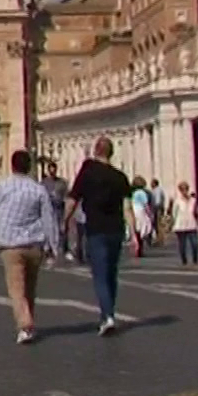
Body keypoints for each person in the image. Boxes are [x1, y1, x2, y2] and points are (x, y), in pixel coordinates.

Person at [0, 150, 60, 345]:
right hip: (35, 245)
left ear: (12, 165)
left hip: (11, 246)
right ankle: (28, 323)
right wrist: (54, 245)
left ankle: (25, 325)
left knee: (17, 289)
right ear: (29, 166)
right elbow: (48, 219)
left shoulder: (3, 187)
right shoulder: (38, 189)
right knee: (30, 288)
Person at [65, 137, 130, 336]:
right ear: (111, 153)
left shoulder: (88, 171)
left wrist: (64, 221)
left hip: (96, 229)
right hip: (116, 229)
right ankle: (108, 312)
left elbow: (73, 198)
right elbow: (127, 207)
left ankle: (108, 315)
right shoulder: (120, 177)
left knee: (100, 274)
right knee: (112, 273)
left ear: (96, 151)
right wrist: (135, 233)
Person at [169, 181, 198, 267]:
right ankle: (184, 261)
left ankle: (195, 261)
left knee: (195, 244)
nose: (184, 191)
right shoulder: (177, 201)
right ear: (180, 191)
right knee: (182, 245)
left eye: (186, 189)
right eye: (182, 190)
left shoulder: (193, 200)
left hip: (191, 224)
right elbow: (174, 213)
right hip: (180, 225)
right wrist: (175, 221)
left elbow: (196, 211)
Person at [129, 175, 154, 259]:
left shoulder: (132, 193)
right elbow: (145, 204)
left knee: (136, 230)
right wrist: (150, 213)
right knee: (144, 228)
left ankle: (136, 247)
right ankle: (140, 248)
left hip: (133, 210)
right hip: (140, 210)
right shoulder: (142, 193)